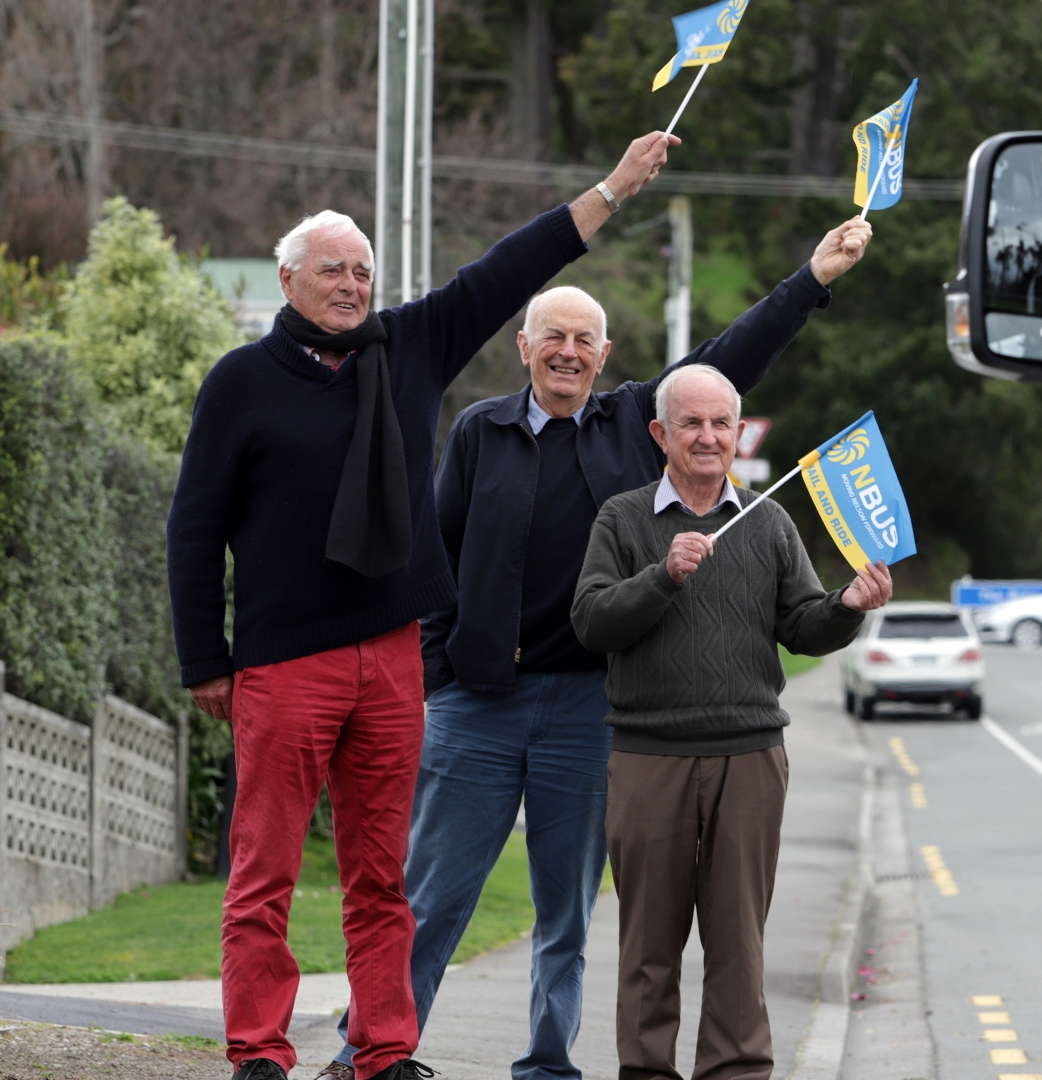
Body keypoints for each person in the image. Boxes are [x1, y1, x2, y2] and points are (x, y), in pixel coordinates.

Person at [166, 130, 679, 1080]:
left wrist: (612, 187)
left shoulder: (408, 346)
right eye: (332, 271)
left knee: (383, 877)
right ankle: (257, 1053)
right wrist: (205, 657)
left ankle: (385, 1052)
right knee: (264, 872)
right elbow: (193, 526)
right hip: (283, 663)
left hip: (392, 656)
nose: (352, 286)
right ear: (288, 281)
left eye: (363, 271)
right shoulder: (240, 383)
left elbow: (512, 264)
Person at [322, 219, 875, 1080]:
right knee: (428, 897)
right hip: (478, 703)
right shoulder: (478, 433)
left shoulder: (632, 427)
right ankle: (369, 1053)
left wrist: (810, 277)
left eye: (584, 340)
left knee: (567, 913)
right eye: (554, 339)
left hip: (588, 707)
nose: (569, 353)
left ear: (605, 352)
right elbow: (431, 553)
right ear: (524, 348)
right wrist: (437, 671)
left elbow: (731, 361)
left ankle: (547, 1064)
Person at [570, 364, 893, 1080]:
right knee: (647, 948)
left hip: (749, 758)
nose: (709, 436)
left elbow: (803, 628)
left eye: (722, 423)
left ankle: (737, 1070)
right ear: (661, 434)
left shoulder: (769, 521)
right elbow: (591, 622)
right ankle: (646, 1071)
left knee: (738, 944)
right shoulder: (622, 519)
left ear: (741, 433)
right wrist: (662, 576)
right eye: (692, 423)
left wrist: (846, 606)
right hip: (649, 758)